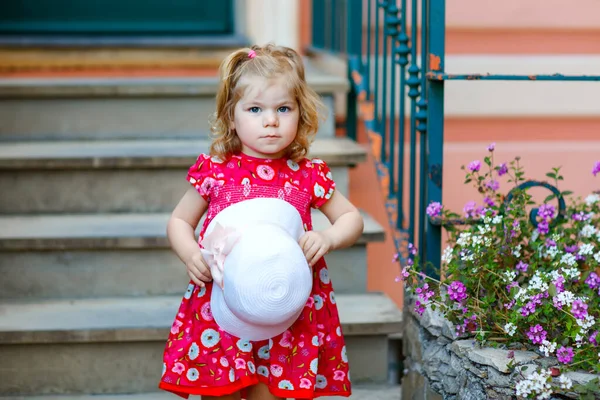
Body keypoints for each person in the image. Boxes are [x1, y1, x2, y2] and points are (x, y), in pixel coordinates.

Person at [159, 43, 364, 400]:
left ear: (300, 113)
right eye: (255, 109)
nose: (271, 120)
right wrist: (190, 252)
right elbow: (179, 220)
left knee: (271, 391)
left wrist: (329, 238)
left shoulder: (308, 174)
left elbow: (350, 217)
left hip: (285, 303)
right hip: (222, 300)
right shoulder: (216, 171)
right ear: (231, 115)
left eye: (283, 108)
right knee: (219, 388)